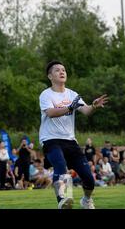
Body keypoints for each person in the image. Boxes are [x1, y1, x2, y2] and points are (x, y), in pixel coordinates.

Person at [39, 60, 108, 209]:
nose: (62, 72)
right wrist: (69, 108)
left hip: (70, 141)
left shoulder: (72, 94)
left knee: (89, 179)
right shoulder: (46, 94)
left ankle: (86, 200)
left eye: (63, 70)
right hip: (51, 139)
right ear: (50, 76)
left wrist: (94, 106)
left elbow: (86, 111)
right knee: (60, 166)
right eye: (57, 70)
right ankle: (64, 199)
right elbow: (51, 113)